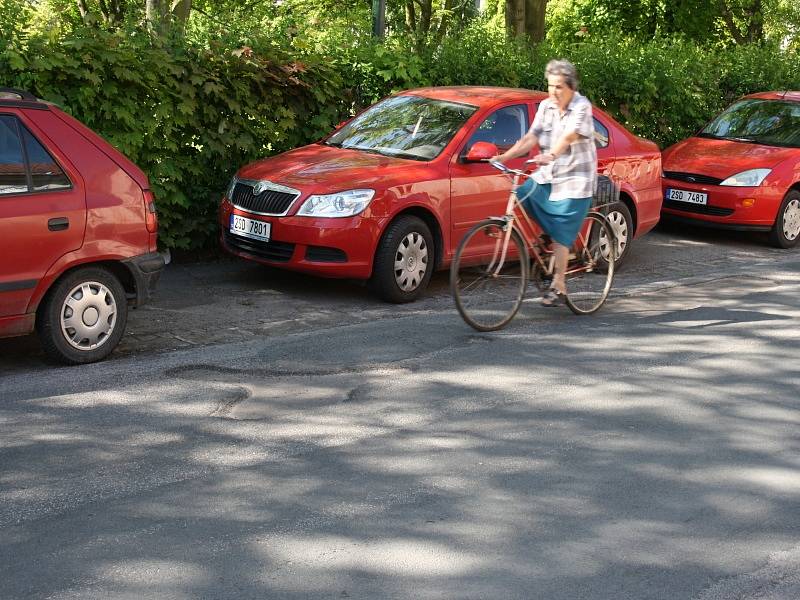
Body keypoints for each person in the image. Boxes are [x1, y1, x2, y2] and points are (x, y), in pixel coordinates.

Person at [493, 59, 597, 306]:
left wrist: (551, 154)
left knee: (561, 230)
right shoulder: (546, 106)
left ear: (571, 87)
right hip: (550, 174)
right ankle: (552, 236)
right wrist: (505, 156)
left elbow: (570, 135)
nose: (554, 92)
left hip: (576, 178)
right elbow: (531, 137)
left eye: (559, 87)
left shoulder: (582, 106)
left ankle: (559, 285)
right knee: (524, 191)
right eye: (551, 86)